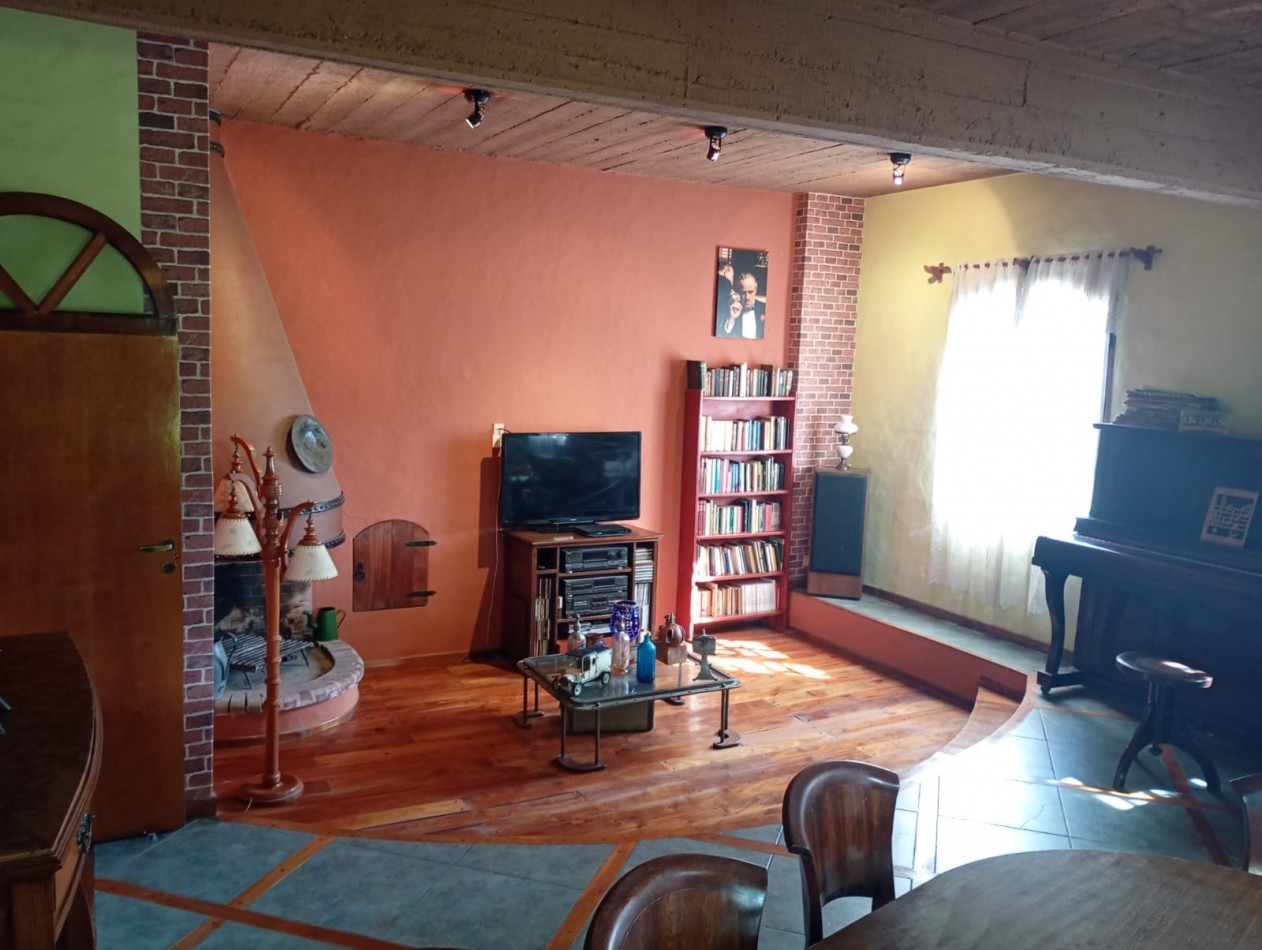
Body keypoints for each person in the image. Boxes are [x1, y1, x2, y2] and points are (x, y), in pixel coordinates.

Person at [729, 272, 765, 339]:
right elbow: (725, 333)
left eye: (750, 292)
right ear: (738, 292)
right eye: (743, 292)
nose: (747, 297)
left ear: (756, 290)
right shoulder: (733, 308)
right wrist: (732, 318)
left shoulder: (765, 309)